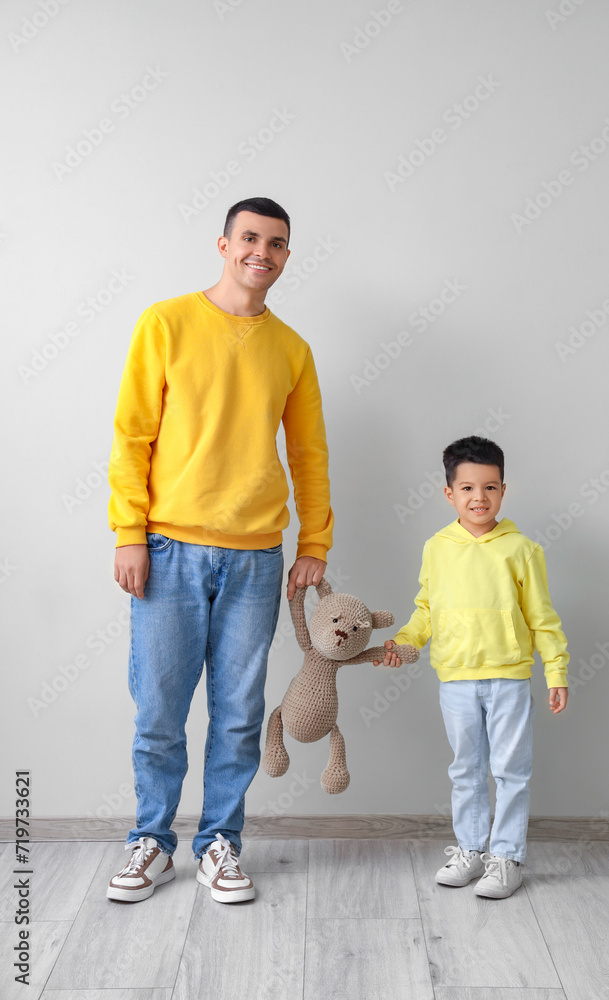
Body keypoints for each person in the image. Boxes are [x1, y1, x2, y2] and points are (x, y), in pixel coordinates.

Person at [105, 196, 333, 904]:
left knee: (238, 712)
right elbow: (132, 433)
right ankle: (151, 839)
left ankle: (221, 844)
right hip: (167, 550)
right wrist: (129, 532)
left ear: (287, 257)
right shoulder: (165, 322)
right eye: (249, 238)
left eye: (276, 243)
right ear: (223, 244)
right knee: (159, 709)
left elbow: (309, 453)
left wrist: (314, 540)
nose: (261, 252)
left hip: (257, 558)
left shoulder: (291, 349)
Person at [379, 436, 568, 898]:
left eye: (489, 488)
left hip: (508, 678)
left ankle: (506, 858)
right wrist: (405, 641)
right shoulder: (437, 548)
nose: (478, 498)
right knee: (466, 769)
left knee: (510, 771)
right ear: (450, 494)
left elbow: (542, 618)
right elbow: (427, 608)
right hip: (456, 679)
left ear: (503, 490)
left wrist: (556, 670)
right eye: (467, 488)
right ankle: (470, 850)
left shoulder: (521, 549)